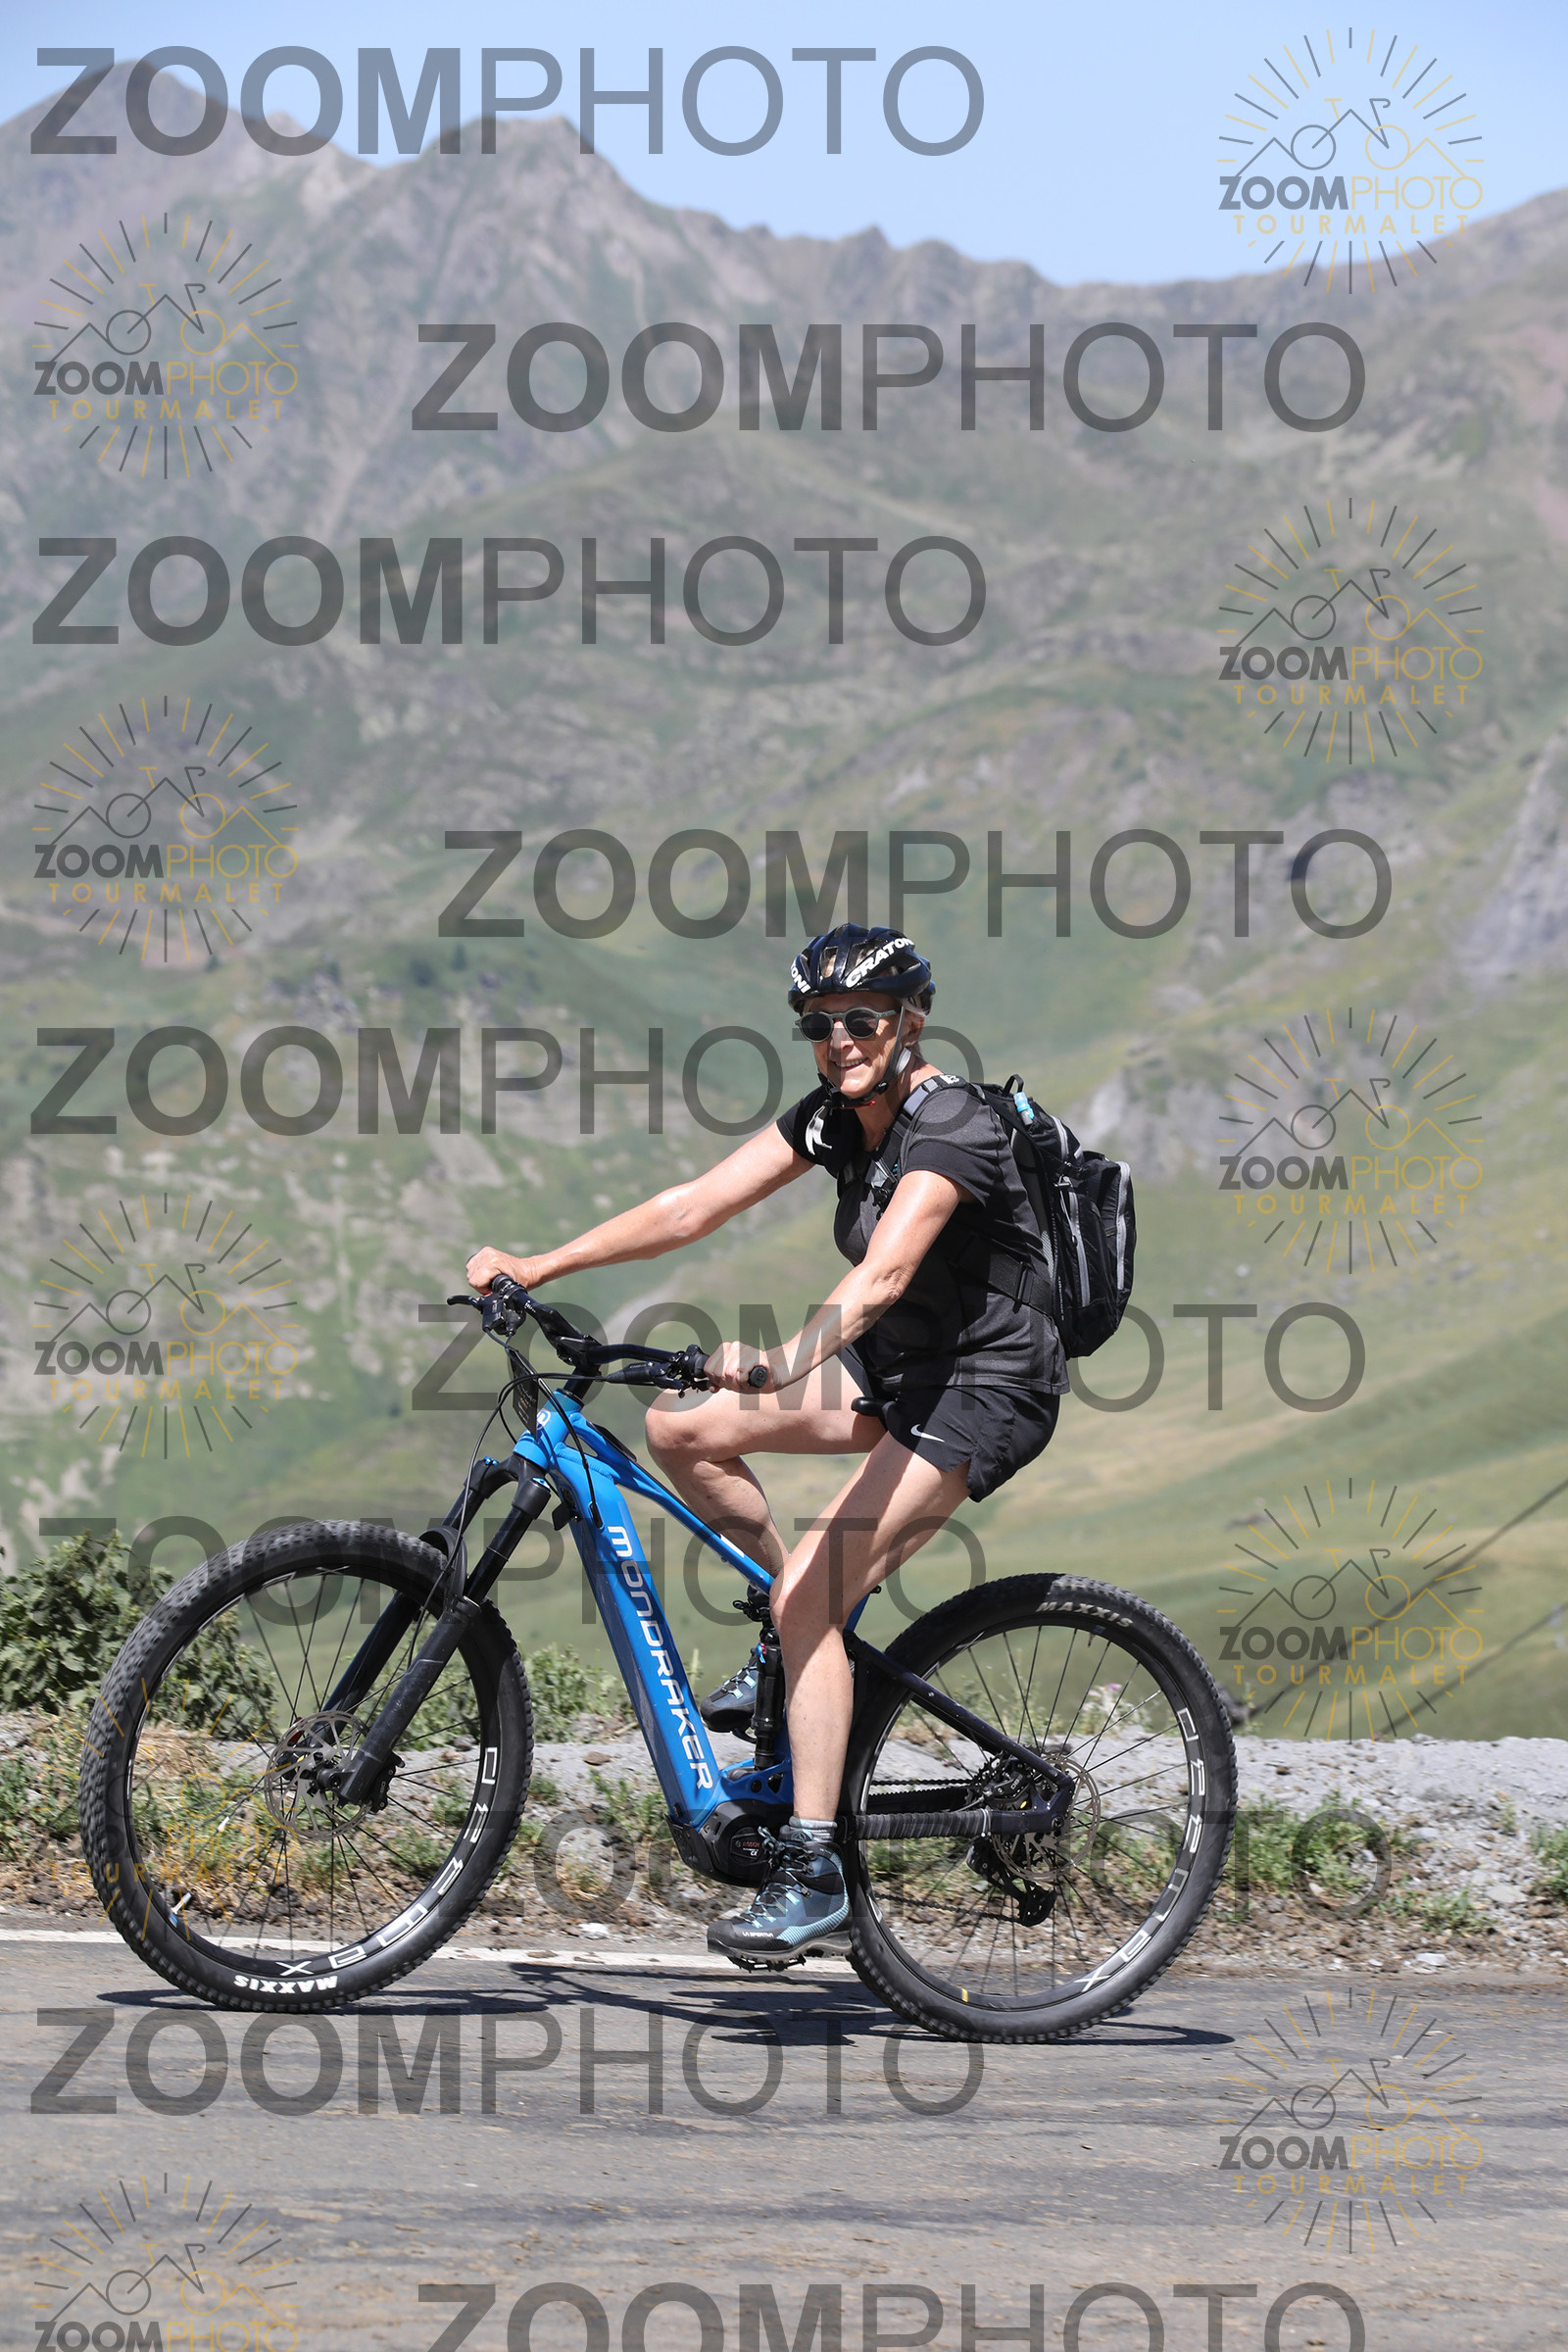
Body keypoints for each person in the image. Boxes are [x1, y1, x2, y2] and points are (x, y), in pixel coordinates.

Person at [466, 923, 1065, 1962]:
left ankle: (815, 1869)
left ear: (913, 1020)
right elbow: (693, 1206)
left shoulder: (954, 1125)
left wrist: (785, 1362)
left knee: (812, 1598)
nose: (840, 1041)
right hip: (899, 1368)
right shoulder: (838, 1119)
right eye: (818, 1026)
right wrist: (540, 1263)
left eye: (861, 1020)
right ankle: (790, 1645)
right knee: (681, 1425)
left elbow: (882, 1277)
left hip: (983, 1385)